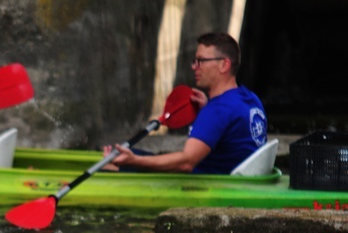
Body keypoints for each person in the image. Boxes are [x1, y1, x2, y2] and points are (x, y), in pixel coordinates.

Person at [103, 32, 267, 174]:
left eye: (201, 60)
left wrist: (135, 161)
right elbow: (231, 132)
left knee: (112, 163)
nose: (194, 67)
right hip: (233, 175)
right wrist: (206, 109)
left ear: (224, 65)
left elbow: (186, 163)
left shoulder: (218, 110)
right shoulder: (250, 99)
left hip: (207, 183)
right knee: (128, 154)